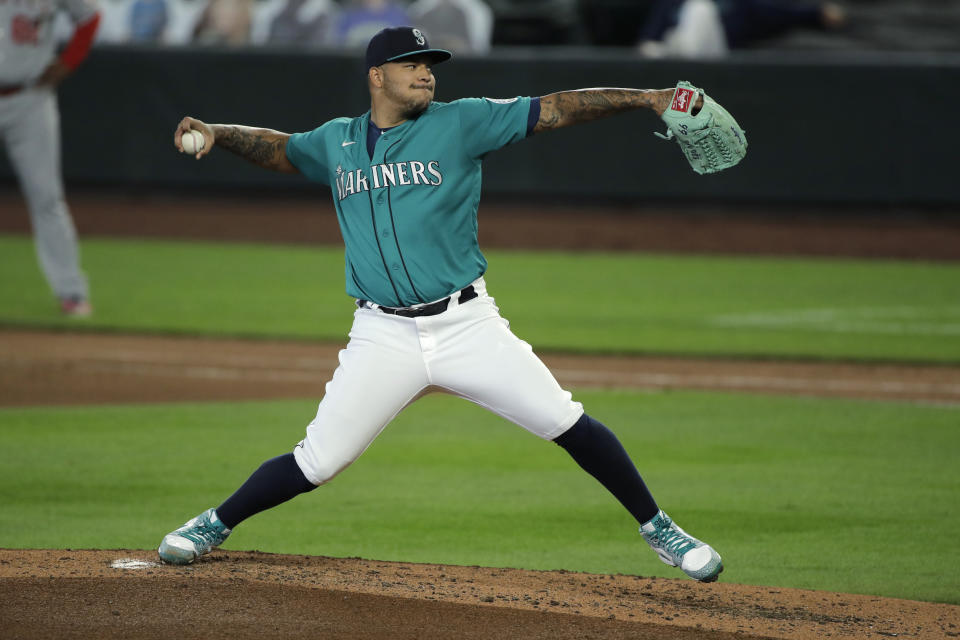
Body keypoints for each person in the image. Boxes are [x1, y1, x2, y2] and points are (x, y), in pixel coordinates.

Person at [158, 26, 724, 583]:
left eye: (429, 63)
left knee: (564, 420)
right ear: (377, 76)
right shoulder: (338, 140)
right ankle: (214, 523)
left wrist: (646, 98)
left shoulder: (462, 121)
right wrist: (220, 132)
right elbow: (284, 150)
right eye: (411, 63)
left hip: (466, 325)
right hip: (381, 335)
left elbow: (556, 108)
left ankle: (660, 530)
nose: (426, 72)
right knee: (319, 461)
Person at [0, 0, 100, 317]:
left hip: (29, 97)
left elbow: (90, 16)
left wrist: (70, 60)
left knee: (47, 197)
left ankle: (71, 292)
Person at [638, 0, 847, 59]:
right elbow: (649, 38)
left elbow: (777, 13)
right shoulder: (671, 4)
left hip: (715, 63)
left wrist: (817, 14)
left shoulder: (739, 6)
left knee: (701, 10)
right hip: (671, 60)